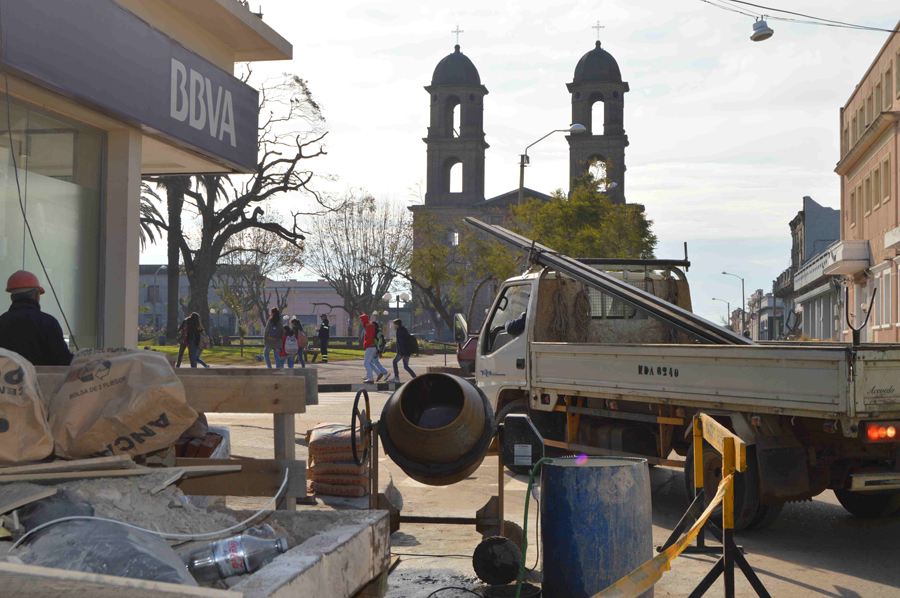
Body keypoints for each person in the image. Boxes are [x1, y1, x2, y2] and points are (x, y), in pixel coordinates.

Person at [0, 270, 73, 366]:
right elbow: (63, 360)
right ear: (36, 296)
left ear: (12, 298)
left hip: (6, 380)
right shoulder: (49, 323)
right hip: (43, 380)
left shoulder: (2, 322)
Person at [360, 314, 388, 383]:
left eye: (361, 320)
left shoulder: (368, 326)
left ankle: (370, 378)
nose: (361, 321)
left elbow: (370, 337)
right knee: (369, 362)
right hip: (373, 346)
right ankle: (378, 373)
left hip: (370, 346)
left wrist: (365, 344)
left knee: (366, 363)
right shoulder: (370, 325)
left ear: (364, 320)